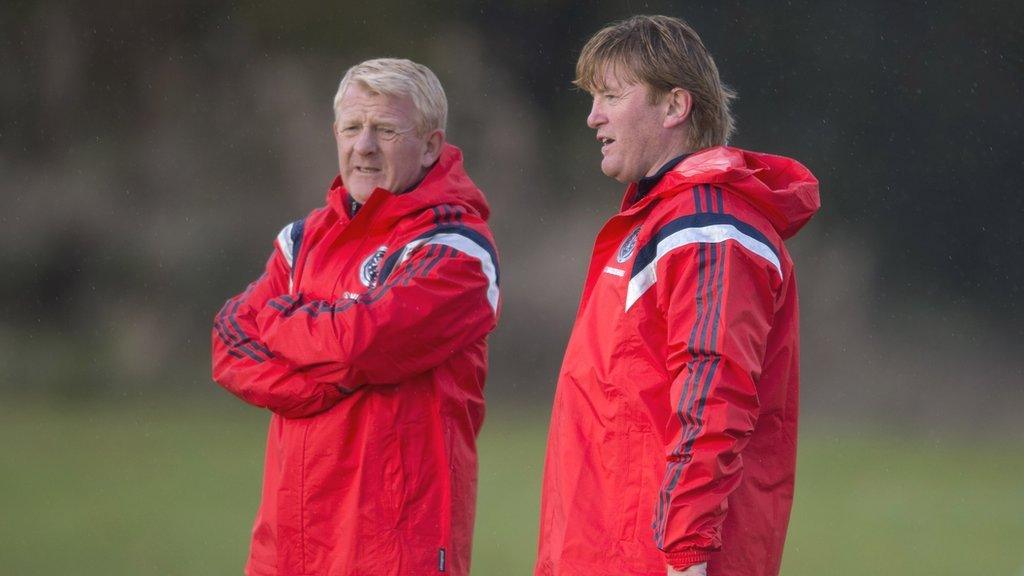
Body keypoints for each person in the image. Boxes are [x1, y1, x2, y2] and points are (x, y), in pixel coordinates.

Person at [535, 15, 820, 576]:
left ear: (674, 107)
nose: (593, 117)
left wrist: (686, 551)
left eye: (611, 96)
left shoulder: (708, 229)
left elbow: (713, 392)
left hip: (659, 560)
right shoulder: (660, 219)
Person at [211, 58, 500, 576]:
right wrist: (322, 388)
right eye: (352, 128)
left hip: (394, 549)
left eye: (386, 130)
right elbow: (229, 344)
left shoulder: (457, 251)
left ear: (432, 146)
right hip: (286, 545)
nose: (364, 146)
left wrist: (280, 322)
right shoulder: (299, 241)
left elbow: (362, 343)